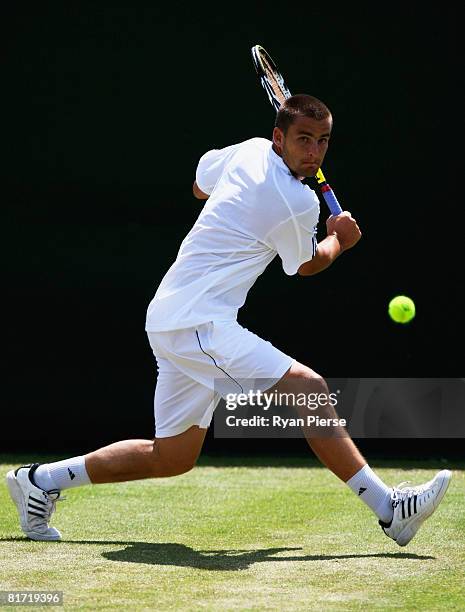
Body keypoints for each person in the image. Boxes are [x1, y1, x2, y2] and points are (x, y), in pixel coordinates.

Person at [6, 94, 451, 545]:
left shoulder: (251, 149)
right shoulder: (298, 201)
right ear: (280, 138)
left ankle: (38, 481)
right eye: (302, 140)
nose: (314, 152)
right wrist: (341, 240)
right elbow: (305, 265)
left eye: (322, 141)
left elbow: (201, 185)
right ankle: (389, 508)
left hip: (172, 317)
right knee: (309, 390)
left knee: (172, 457)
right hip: (198, 322)